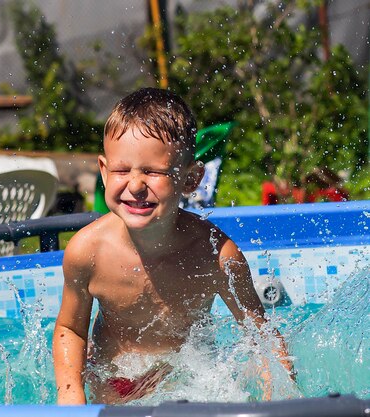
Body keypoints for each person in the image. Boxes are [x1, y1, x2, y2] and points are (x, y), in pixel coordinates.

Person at [52, 88, 294, 405]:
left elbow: (260, 335)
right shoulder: (87, 252)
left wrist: (278, 398)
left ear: (191, 179)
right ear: (103, 170)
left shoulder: (216, 256)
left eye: (154, 172)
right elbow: (70, 328)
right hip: (114, 383)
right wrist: (70, 397)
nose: (135, 185)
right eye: (122, 170)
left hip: (191, 382)